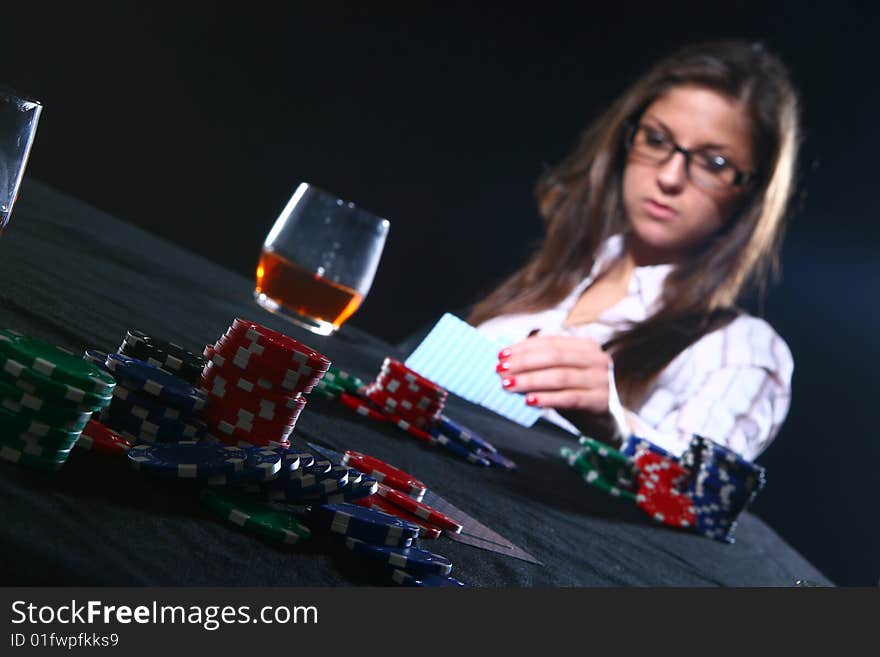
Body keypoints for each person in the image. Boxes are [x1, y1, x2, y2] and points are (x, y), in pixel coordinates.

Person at [471, 40, 800, 462]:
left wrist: (615, 425)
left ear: (750, 194)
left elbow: (700, 496)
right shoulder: (558, 274)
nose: (669, 176)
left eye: (713, 163)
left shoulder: (741, 349)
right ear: (626, 139)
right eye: (657, 139)